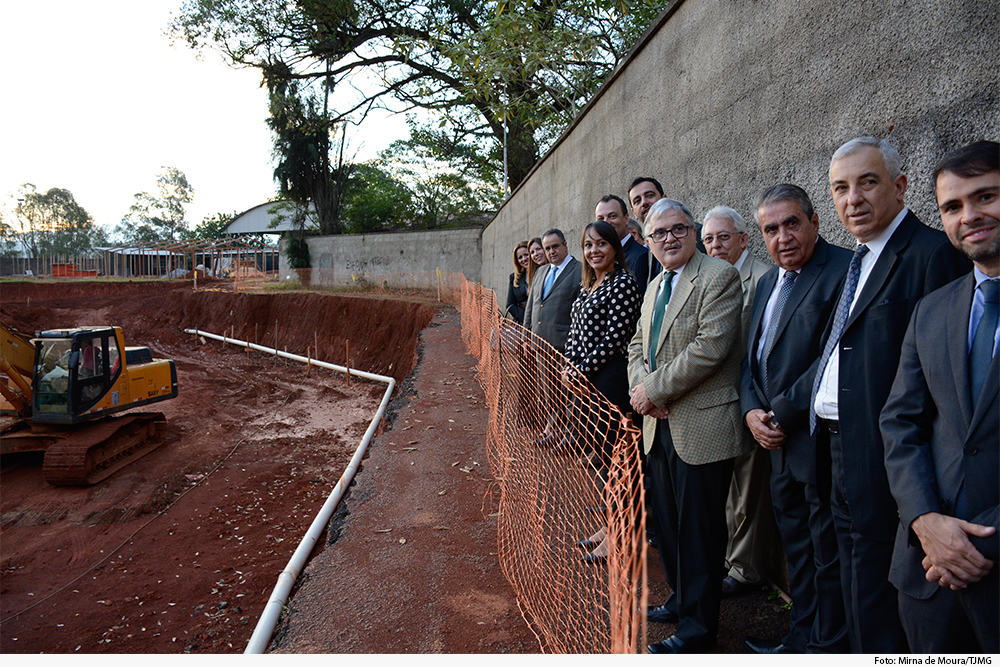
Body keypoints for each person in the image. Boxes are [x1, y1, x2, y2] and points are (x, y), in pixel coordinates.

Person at [810, 136, 970, 652]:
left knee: (884, 600)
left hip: (891, 466)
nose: (852, 198)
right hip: (836, 450)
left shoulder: (932, 256)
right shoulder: (858, 260)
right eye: (840, 188)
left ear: (900, 187)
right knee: (855, 584)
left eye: (867, 182)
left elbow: (941, 388)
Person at [880, 140, 1000, 653]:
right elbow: (900, 422)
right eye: (952, 206)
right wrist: (925, 521)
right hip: (926, 573)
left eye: (986, 197)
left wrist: (971, 543)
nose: (969, 215)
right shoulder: (932, 310)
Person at [627, 198, 748, 653]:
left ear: (693, 232)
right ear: (649, 241)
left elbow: (710, 348)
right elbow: (638, 345)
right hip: (658, 426)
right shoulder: (656, 284)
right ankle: (682, 602)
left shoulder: (718, 276)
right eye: (659, 233)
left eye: (679, 229)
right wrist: (643, 391)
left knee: (700, 534)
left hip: (702, 427)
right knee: (672, 527)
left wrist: (652, 392)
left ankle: (698, 632)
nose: (670, 238)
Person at [740, 184, 852, 654]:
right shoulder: (767, 281)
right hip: (773, 444)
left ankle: (827, 646)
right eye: (771, 229)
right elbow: (750, 359)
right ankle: (801, 637)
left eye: (792, 224)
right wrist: (750, 412)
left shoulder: (844, 270)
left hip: (816, 441)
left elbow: (831, 356)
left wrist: (779, 412)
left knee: (827, 554)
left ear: (814, 223)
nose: (782, 237)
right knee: (797, 550)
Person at [702, 205, 777, 598]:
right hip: (720, 401)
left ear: (744, 239)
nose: (715, 245)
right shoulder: (715, 277)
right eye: (709, 239)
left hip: (752, 399)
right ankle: (730, 559)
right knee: (731, 489)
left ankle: (746, 569)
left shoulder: (762, 277)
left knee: (750, 490)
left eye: (723, 237)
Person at [562, 221, 642, 561]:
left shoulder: (623, 284)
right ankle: (609, 526)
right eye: (588, 245)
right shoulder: (587, 286)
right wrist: (567, 366)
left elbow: (615, 340)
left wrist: (580, 369)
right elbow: (574, 333)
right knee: (607, 462)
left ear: (614, 248)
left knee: (622, 461)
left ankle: (622, 535)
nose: (594, 251)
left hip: (611, 381)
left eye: (601, 245)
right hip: (585, 384)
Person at [524, 229, 583, 443]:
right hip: (541, 344)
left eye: (555, 246)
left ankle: (568, 434)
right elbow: (532, 305)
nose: (551, 251)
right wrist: (526, 335)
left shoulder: (579, 271)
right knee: (549, 391)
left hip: (565, 345)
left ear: (565, 245)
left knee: (568, 392)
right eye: (547, 248)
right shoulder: (541, 272)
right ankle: (553, 429)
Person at [596, 194, 649, 286]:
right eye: (601, 219)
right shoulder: (597, 258)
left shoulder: (640, 256)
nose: (606, 223)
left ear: (626, 219)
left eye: (612, 216)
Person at [505, 241, 531, 323]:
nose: (524, 259)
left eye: (526, 254)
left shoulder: (543, 273)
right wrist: (528, 320)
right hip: (523, 323)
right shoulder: (514, 277)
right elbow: (510, 305)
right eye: (520, 257)